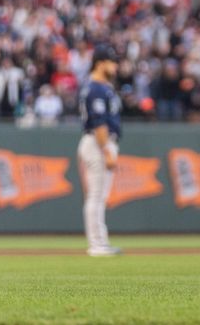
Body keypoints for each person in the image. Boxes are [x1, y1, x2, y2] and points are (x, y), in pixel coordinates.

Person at [78, 45, 122, 257]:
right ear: (100, 63)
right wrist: (106, 149)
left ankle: (100, 242)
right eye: (111, 61)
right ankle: (97, 244)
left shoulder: (102, 87)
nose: (115, 66)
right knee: (96, 195)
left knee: (99, 196)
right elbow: (99, 123)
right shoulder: (95, 88)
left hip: (100, 142)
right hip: (98, 142)